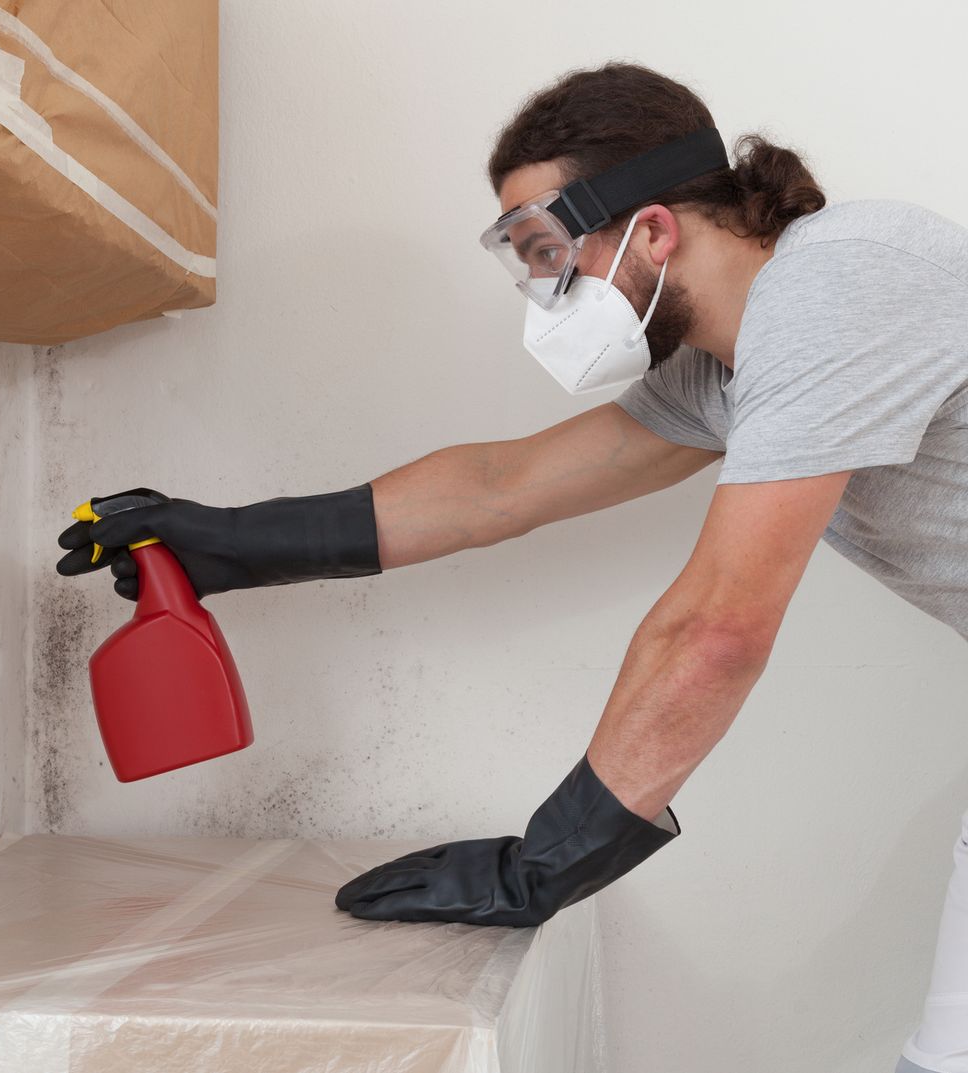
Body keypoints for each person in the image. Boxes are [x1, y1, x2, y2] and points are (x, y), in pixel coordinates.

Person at [55, 63, 968, 1073]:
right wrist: (227, 540)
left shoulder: (836, 289)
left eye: (549, 254)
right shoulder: (728, 366)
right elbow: (504, 485)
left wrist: (554, 859)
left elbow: (717, 626)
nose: (544, 293)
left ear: (654, 231)